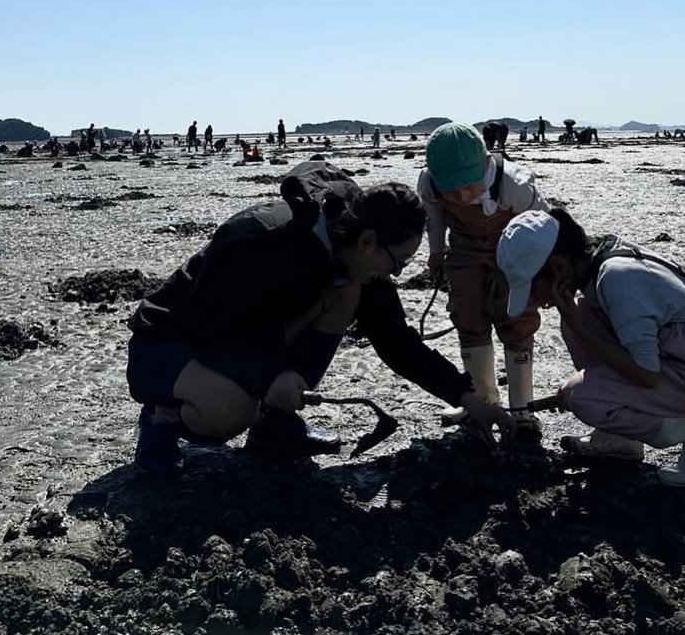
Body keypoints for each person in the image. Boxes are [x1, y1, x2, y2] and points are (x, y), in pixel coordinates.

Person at [126, 161, 514, 477]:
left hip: (244, 340)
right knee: (229, 411)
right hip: (169, 344)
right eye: (397, 263)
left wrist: (466, 397)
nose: (395, 275)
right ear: (367, 242)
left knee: (346, 292)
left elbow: (397, 341)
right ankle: (161, 421)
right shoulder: (262, 239)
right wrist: (269, 376)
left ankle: (275, 427)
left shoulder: (355, 255)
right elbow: (210, 327)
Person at [497, 209, 685, 486]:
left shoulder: (617, 279)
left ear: (558, 267)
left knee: (583, 395)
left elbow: (645, 374)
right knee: (576, 317)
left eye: (531, 289)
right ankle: (618, 438)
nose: (535, 301)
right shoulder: (600, 259)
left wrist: (576, 388)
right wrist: (577, 323)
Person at [418, 123, 549, 439]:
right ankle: (482, 401)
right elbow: (434, 216)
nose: (461, 197)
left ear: (487, 162)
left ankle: (522, 409)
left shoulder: (515, 185)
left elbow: (544, 229)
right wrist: (436, 253)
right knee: (468, 316)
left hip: (514, 252)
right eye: (451, 190)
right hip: (464, 251)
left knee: (517, 319)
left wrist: (540, 273)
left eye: (467, 185)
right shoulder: (430, 184)